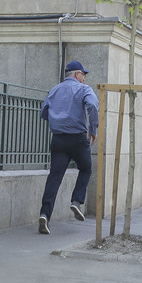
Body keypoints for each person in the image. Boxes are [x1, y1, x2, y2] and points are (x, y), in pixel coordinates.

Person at [39, 60, 99, 234]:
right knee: (86, 169)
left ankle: (44, 214)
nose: (84, 79)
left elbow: (44, 111)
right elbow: (93, 105)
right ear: (77, 74)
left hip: (58, 139)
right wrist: (93, 129)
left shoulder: (54, 90)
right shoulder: (83, 90)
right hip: (78, 139)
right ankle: (76, 201)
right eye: (83, 75)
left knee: (54, 177)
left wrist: (58, 119)